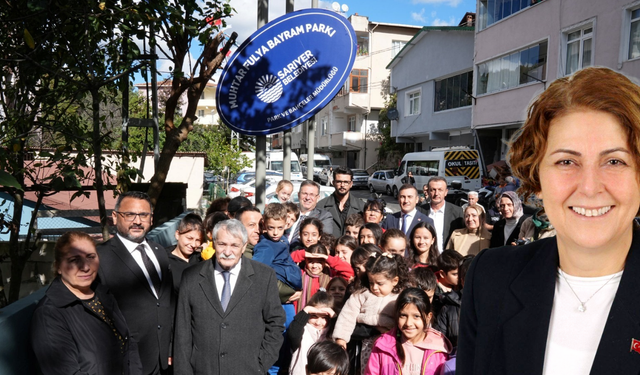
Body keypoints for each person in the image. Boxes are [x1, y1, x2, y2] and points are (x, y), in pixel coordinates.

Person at [457, 67, 640, 374]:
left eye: (614, 161)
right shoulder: (490, 278)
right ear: (536, 176)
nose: (590, 186)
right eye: (566, 161)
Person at [173, 219, 286, 374]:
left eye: (234, 245)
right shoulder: (191, 277)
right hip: (203, 369)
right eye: (222, 244)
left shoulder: (264, 276)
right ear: (213, 244)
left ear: (244, 246)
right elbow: (182, 332)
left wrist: (261, 363)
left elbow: (276, 322)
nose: (227, 251)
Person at [31, 232, 142, 375]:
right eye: (74, 260)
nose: (85, 267)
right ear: (58, 266)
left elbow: (128, 345)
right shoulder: (50, 314)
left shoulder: (103, 295)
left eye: (91, 257)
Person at [97, 191, 174, 375]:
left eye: (143, 215)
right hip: (127, 362)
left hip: (164, 359)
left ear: (151, 218)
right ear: (115, 217)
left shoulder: (160, 252)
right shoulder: (100, 258)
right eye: (130, 214)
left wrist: (170, 345)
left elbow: (166, 302)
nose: (137, 221)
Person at [333, 253, 409, 369]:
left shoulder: (399, 298)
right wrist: (341, 339)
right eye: (371, 282)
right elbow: (347, 316)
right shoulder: (361, 295)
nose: (374, 287)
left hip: (391, 343)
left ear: (394, 280)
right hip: (365, 344)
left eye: (380, 283)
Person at [365, 288, 451, 375]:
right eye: (403, 315)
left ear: (428, 317)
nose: (408, 323)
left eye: (416, 316)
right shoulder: (383, 346)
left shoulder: (439, 348)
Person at [252, 203, 303, 309]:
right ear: (264, 224)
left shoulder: (283, 240)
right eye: (271, 228)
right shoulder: (265, 247)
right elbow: (257, 271)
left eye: (280, 228)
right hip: (280, 297)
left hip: (289, 288)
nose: (275, 232)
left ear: (286, 224)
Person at [290, 242, 354, 312]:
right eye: (311, 261)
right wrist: (303, 254)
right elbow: (286, 262)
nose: (314, 266)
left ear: (325, 262)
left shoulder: (331, 276)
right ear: (306, 260)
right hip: (302, 317)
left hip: (324, 318)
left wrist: (328, 258)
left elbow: (349, 272)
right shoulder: (299, 274)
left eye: (319, 262)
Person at [288, 291, 337, 375]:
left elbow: (341, 329)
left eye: (324, 318)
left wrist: (334, 316)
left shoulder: (332, 333)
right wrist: (306, 310)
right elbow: (293, 333)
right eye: (314, 316)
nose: (318, 322)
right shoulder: (302, 332)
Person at [420, 177, 465, 254]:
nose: (436, 193)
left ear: (446, 192)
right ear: (428, 192)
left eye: (440, 190)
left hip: (447, 259)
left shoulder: (457, 212)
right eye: (433, 190)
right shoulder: (419, 211)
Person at [317, 167, 366, 236]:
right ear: (333, 183)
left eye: (346, 182)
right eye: (339, 181)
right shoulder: (321, 206)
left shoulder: (362, 207)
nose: (342, 185)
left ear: (351, 184)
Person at [288, 180, 334, 244]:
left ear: (317, 197)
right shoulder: (288, 211)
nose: (307, 198)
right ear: (298, 195)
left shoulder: (324, 216)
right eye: (304, 193)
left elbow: (325, 242)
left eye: (312, 194)